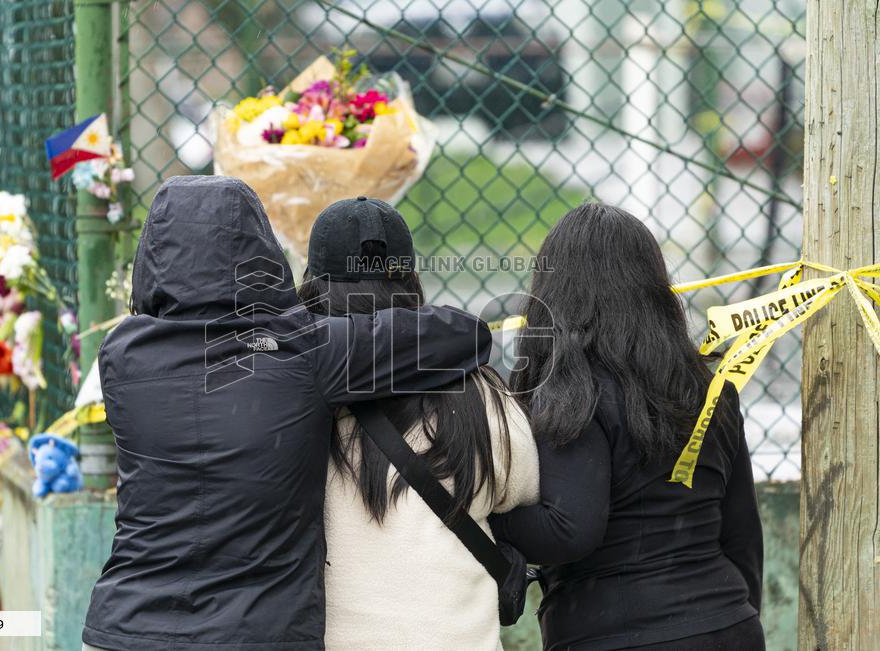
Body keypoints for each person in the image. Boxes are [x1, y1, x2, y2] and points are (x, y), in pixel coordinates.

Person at [81, 177, 492, 651]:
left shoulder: (121, 355)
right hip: (256, 632)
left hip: (126, 627)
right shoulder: (307, 349)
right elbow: (465, 335)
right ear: (261, 251)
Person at [493, 203, 764, 650]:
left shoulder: (572, 392)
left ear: (554, 293)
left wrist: (480, 509)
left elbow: (567, 531)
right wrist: (737, 616)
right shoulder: (712, 389)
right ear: (655, 289)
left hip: (616, 633)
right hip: (727, 622)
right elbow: (742, 534)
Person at [296, 196, 540, 650]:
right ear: (411, 281)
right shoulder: (479, 394)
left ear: (312, 284)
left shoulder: (288, 396)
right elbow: (525, 488)